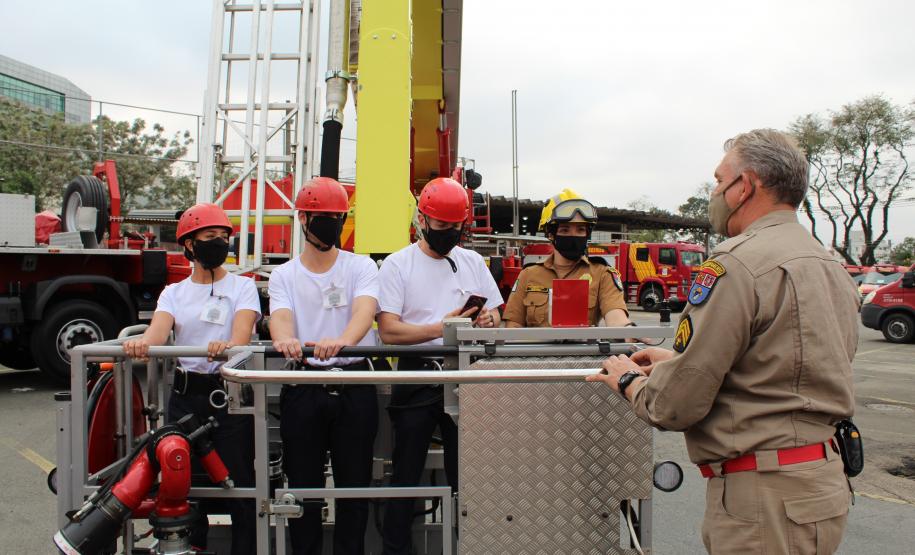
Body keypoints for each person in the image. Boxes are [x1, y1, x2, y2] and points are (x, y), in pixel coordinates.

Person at [587, 129, 859, 554]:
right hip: (821, 486)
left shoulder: (736, 264)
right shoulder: (829, 264)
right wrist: (676, 359)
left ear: (744, 187)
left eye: (718, 180)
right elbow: (788, 364)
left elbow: (674, 406)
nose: (714, 192)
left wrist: (627, 380)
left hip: (763, 501)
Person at [123, 203, 260, 554]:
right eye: (210, 236)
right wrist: (140, 344)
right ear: (189, 244)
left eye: (223, 237)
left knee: (240, 487)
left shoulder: (243, 287)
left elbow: (241, 336)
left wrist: (227, 346)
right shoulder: (174, 293)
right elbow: (157, 334)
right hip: (185, 402)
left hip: (228, 399)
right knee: (182, 485)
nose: (219, 243)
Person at [377, 177, 503, 555]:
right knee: (405, 474)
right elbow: (389, 331)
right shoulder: (398, 265)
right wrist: (443, 327)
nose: (448, 232)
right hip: (418, 373)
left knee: (469, 476)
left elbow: (496, 313)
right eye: (441, 225)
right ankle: (396, 550)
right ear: (422, 219)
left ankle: (472, 547)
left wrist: (488, 320)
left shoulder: (472, 262)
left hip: (465, 373)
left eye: (455, 226)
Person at [267, 177, 380, 555]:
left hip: (353, 383)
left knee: (355, 487)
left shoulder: (360, 267)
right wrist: (285, 339)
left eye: (337, 218)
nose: (332, 225)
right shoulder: (284, 275)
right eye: (323, 218)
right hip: (305, 384)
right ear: (302, 218)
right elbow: (280, 317)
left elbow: (365, 311)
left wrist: (343, 340)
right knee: (303, 488)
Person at [502, 189, 630, 329]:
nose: (573, 236)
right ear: (551, 234)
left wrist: (628, 332)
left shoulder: (602, 274)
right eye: (565, 230)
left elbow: (616, 318)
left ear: (587, 234)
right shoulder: (528, 275)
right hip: (537, 345)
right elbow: (513, 325)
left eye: (580, 230)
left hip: (583, 345)